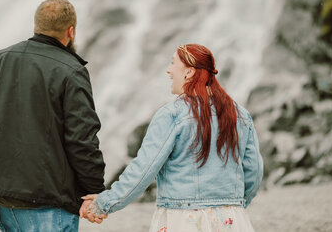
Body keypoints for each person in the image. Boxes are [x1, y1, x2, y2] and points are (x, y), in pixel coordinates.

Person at [0, 0, 106, 231]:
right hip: (47, 200)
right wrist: (94, 189)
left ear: (36, 26)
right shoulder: (71, 71)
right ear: (71, 31)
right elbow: (81, 138)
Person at [81, 44, 263, 231]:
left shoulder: (172, 115)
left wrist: (104, 203)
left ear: (189, 73)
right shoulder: (239, 114)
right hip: (232, 219)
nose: (168, 70)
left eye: (172, 63)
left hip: (184, 220)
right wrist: (234, 204)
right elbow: (254, 171)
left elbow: (144, 168)